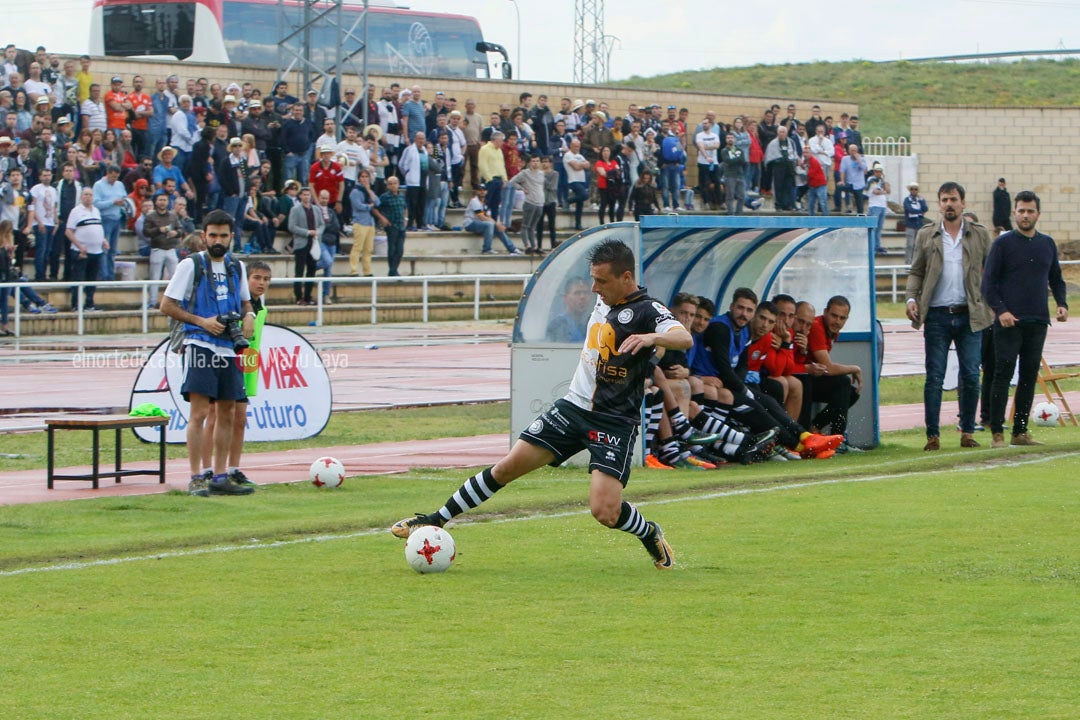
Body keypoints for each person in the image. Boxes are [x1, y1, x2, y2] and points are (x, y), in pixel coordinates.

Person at [391, 239, 689, 570]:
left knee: (605, 512)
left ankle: (649, 533)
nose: (594, 288)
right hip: (572, 409)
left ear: (626, 277)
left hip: (613, 422)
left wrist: (652, 337)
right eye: (592, 279)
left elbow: (683, 336)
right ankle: (434, 519)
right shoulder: (605, 300)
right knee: (505, 468)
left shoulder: (649, 310)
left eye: (601, 281)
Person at [160, 208, 255, 496]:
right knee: (200, 412)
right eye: (212, 234)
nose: (217, 240)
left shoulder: (236, 267)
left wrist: (249, 316)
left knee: (227, 411)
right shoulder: (191, 265)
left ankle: (220, 475)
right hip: (200, 344)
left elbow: (245, 303)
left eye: (223, 235)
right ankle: (196, 476)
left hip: (228, 347)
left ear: (231, 237)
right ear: (204, 236)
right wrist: (202, 321)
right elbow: (167, 305)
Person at [905, 181, 993, 451]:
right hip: (937, 315)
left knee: (969, 374)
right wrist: (911, 298)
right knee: (935, 375)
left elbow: (991, 271)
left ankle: (967, 431)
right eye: (944, 200)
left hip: (970, 315)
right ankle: (933, 435)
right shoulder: (926, 235)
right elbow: (916, 270)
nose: (949, 204)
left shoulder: (979, 234)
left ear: (963, 203)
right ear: (939, 204)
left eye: (953, 199)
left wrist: (990, 305)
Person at [982, 190, 1068, 448]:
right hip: (1009, 322)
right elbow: (988, 284)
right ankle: (997, 431)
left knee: (1029, 376)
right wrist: (1001, 311)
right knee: (1002, 374)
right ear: (1014, 213)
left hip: (1038, 320)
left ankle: (1020, 431)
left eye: (1030, 211)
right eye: (1021, 210)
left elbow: (1056, 278)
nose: (1025, 215)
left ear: (1038, 214)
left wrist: (1061, 303)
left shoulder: (1047, 244)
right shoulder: (1003, 244)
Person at [65, 186, 107, 310]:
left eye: (90, 195)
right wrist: (79, 246)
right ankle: (76, 305)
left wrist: (103, 240)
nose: (88, 197)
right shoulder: (76, 211)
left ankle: (89, 304)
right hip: (81, 251)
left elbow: (97, 227)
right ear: (81, 197)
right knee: (78, 278)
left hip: (96, 251)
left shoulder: (96, 211)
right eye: (85, 195)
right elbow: (68, 231)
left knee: (92, 279)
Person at [287, 186, 322, 304]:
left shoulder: (316, 209)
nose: (306, 197)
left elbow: (322, 224)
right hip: (301, 243)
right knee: (299, 270)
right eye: (304, 194)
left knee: (312, 271)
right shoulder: (295, 209)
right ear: (300, 196)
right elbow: (292, 226)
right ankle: (298, 297)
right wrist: (307, 232)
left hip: (314, 243)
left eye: (308, 194)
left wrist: (318, 232)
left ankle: (308, 296)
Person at [463, 185, 518, 255]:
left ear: (486, 192)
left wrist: (497, 225)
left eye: (484, 190)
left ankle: (512, 249)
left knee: (496, 227)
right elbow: (481, 217)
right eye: (480, 190)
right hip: (470, 223)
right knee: (490, 224)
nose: (482, 192)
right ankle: (486, 249)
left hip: (482, 224)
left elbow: (489, 217)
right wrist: (496, 224)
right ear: (476, 191)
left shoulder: (486, 202)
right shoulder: (474, 201)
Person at [348, 168, 380, 276]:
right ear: (359, 178)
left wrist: (369, 191)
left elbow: (377, 202)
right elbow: (358, 206)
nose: (364, 179)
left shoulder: (370, 191)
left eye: (366, 177)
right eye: (362, 177)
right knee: (358, 247)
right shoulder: (355, 191)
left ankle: (367, 270)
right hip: (360, 221)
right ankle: (354, 270)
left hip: (370, 222)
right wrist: (369, 206)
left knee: (368, 249)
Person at [545, 275, 592, 342]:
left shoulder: (589, 322)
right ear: (566, 298)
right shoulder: (558, 325)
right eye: (577, 293)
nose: (582, 297)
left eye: (586, 293)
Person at [377, 175, 407, 276]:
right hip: (391, 225)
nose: (393, 186)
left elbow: (405, 208)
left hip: (401, 225)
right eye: (390, 184)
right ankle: (393, 271)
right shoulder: (384, 197)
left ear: (398, 184)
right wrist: (383, 218)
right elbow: (376, 208)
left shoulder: (402, 196)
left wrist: (406, 219)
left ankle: (393, 270)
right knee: (392, 249)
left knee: (400, 250)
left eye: (395, 183)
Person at [903, 182, 928, 264]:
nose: (914, 191)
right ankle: (908, 263)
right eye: (912, 189)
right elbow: (909, 209)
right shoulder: (907, 200)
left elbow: (925, 208)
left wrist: (922, 200)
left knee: (918, 246)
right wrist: (919, 212)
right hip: (910, 225)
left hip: (919, 224)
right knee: (910, 245)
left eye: (916, 189)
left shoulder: (920, 200)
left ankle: (916, 263)